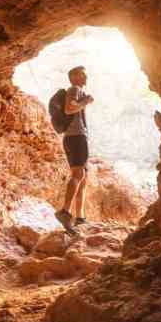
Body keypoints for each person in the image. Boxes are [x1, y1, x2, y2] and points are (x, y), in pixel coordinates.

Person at [56, 65, 94, 234]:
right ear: (74, 77)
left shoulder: (78, 90)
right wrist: (86, 101)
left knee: (83, 178)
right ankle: (65, 212)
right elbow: (69, 108)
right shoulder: (74, 89)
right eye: (83, 75)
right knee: (78, 174)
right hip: (76, 137)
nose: (86, 77)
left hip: (76, 137)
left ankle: (80, 218)